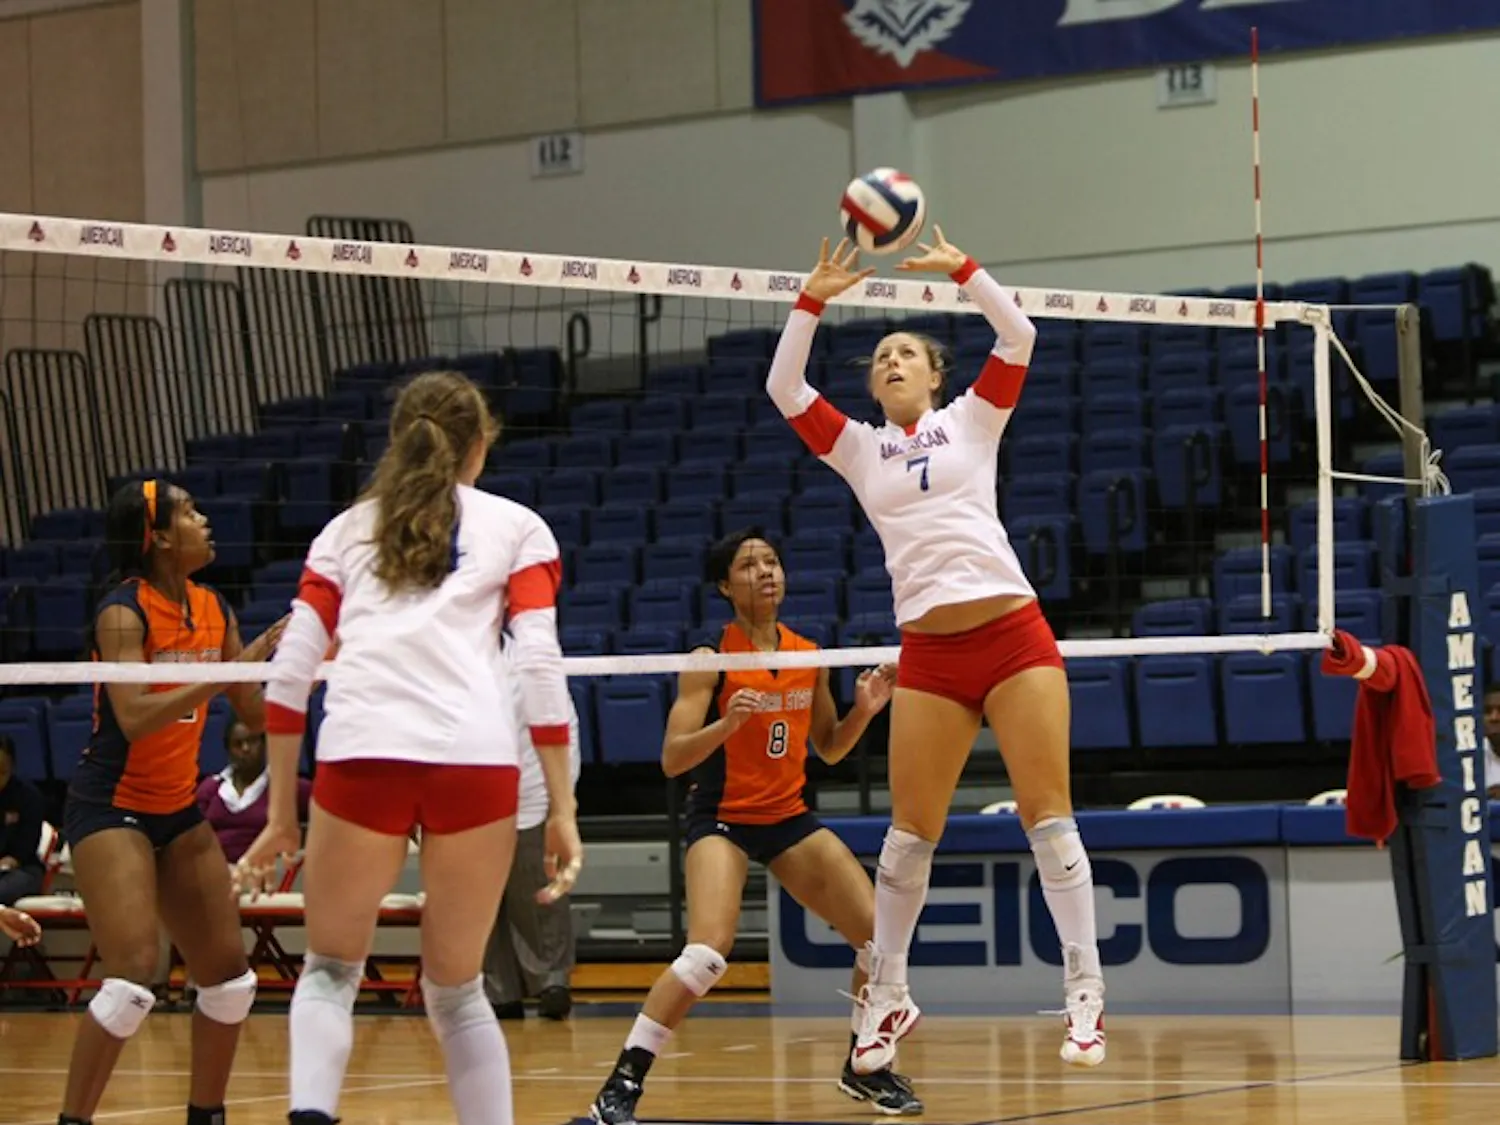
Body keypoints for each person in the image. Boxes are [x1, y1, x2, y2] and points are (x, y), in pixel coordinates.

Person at [765, 233, 1105, 1072]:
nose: (889, 362)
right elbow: (783, 386)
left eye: (906, 353)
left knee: (1047, 817)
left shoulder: (972, 421)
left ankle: (1085, 989)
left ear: (934, 374)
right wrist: (812, 298)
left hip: (1012, 636)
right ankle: (888, 992)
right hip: (931, 655)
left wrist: (963, 271)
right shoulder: (856, 448)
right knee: (908, 836)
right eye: (880, 355)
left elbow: (1019, 336)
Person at [236, 370, 584, 1125]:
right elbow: (537, 663)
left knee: (330, 970)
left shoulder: (343, 531)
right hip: (478, 760)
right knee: (456, 989)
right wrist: (562, 804)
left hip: (363, 751)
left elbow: (292, 669)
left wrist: (280, 810)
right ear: (480, 446)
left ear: (398, 442)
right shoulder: (518, 527)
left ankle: (311, 1115)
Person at [590, 528, 920, 1125]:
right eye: (748, 565)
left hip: (788, 816)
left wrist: (865, 710)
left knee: (881, 942)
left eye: (772, 562)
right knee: (707, 955)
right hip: (722, 817)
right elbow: (671, 759)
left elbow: (829, 748)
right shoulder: (710, 661)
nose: (765, 572)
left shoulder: (807, 654)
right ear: (724, 586)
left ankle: (864, 1065)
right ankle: (622, 1083)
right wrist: (726, 725)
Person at [57, 478, 286, 1125]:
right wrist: (227, 668)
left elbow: (251, 712)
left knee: (231, 980)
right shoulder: (122, 612)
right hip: (110, 804)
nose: (205, 519)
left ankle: (206, 1115)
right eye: (189, 511)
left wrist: (297, 667)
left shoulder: (214, 607)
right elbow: (132, 718)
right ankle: (72, 1121)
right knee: (132, 977)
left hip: (176, 805)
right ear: (156, 536)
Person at [483, 635, 582, 1021]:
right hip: (471, 798)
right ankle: (499, 990)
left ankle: (552, 982)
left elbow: (564, 727)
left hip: (532, 791)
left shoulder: (532, 655)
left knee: (540, 892)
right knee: (482, 902)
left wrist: (563, 800)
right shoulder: (446, 650)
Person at [196, 722, 312, 864]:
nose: (245, 749)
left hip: (269, 874)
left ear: (264, 745)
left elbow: (323, 815)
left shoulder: (287, 786)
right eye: (238, 744)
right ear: (228, 750)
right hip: (217, 873)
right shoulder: (210, 788)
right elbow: (194, 839)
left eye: (252, 742)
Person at [0, 734, 45, 906]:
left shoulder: (28, 796)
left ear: (12, 766)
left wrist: (11, 861)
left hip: (21, 868)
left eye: (2, 772)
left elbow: (26, 845)